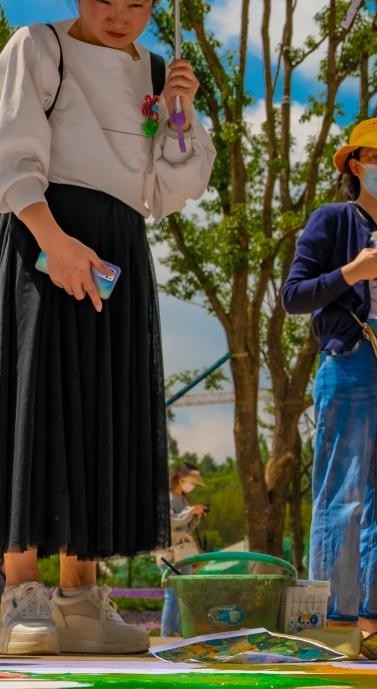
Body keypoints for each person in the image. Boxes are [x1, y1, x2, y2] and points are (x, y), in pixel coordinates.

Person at [0, 2, 214, 655]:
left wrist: (179, 113)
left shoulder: (157, 69)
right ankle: (20, 591)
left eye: (137, 4)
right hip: (45, 232)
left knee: (101, 415)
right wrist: (53, 242)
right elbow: (13, 150)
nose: (120, 15)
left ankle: (81, 597)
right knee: (37, 410)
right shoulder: (39, 46)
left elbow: (172, 189)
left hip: (122, 241)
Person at [281, 117, 377, 659]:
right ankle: (331, 617)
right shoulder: (332, 221)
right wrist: (354, 271)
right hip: (352, 361)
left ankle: (370, 618)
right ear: (354, 165)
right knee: (340, 493)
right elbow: (293, 295)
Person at [156, 463, 209, 638]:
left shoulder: (184, 500)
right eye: (190, 481)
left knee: (184, 596)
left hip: (184, 553)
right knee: (172, 596)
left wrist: (196, 516)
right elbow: (171, 522)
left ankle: (180, 633)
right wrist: (191, 511)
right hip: (169, 554)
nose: (191, 486)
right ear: (180, 477)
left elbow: (186, 526)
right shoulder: (167, 497)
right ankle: (165, 636)